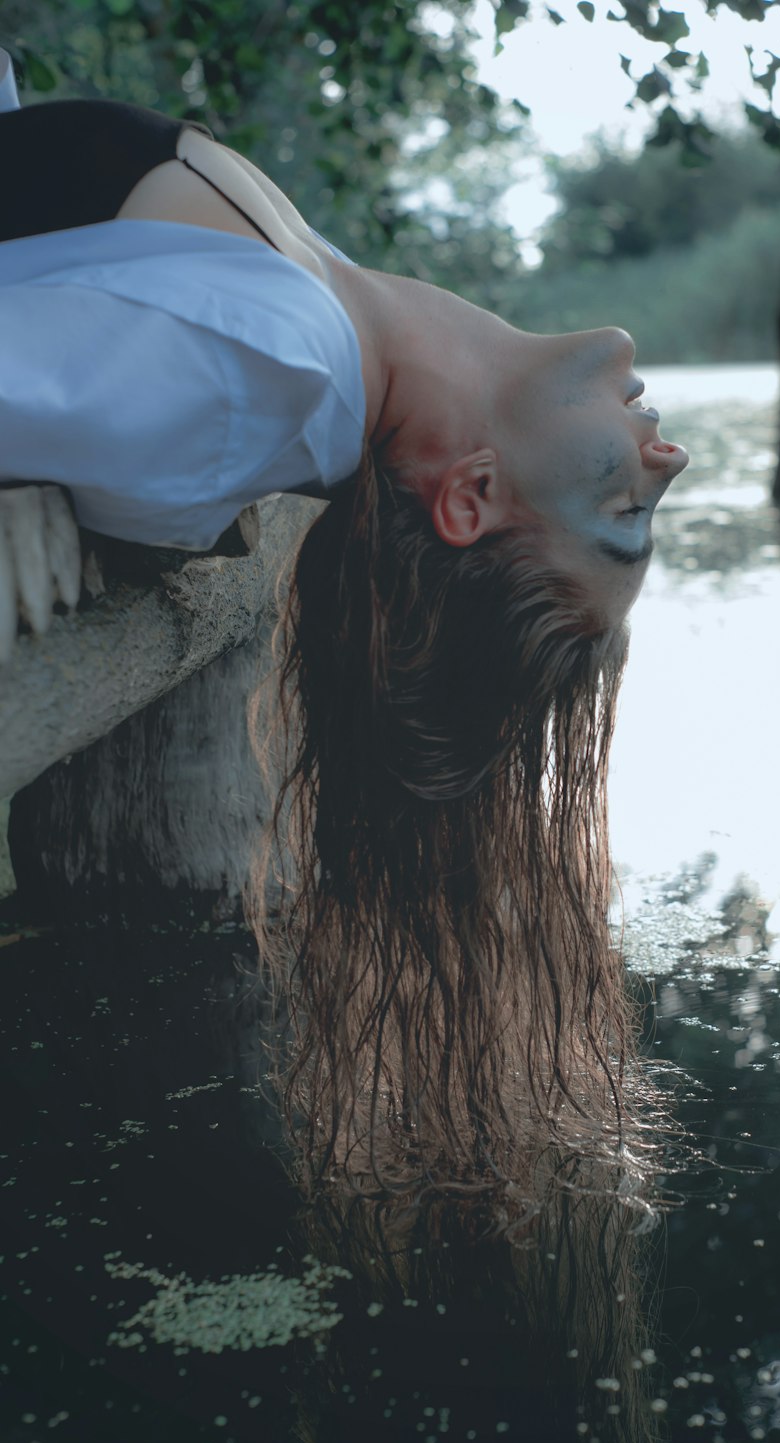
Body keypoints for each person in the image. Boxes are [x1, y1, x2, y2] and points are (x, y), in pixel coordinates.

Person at [0, 56, 689, 1197]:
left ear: (468, 499)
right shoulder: (315, 337)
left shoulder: (269, 374)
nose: (668, 457)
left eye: (627, 510)